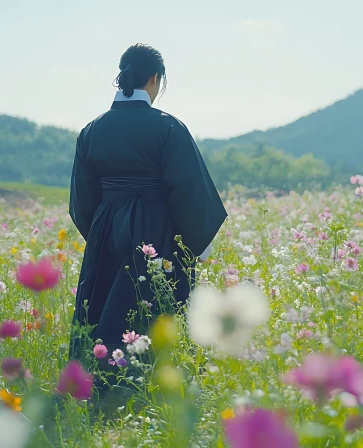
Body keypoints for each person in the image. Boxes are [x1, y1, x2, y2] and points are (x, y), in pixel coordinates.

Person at [67, 43, 227, 386]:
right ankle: (156, 385)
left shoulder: (91, 130)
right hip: (159, 235)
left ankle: (99, 384)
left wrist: (102, 234)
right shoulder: (168, 127)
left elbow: (81, 202)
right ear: (155, 79)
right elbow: (189, 192)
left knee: (103, 317)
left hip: (106, 232)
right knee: (157, 310)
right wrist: (194, 244)